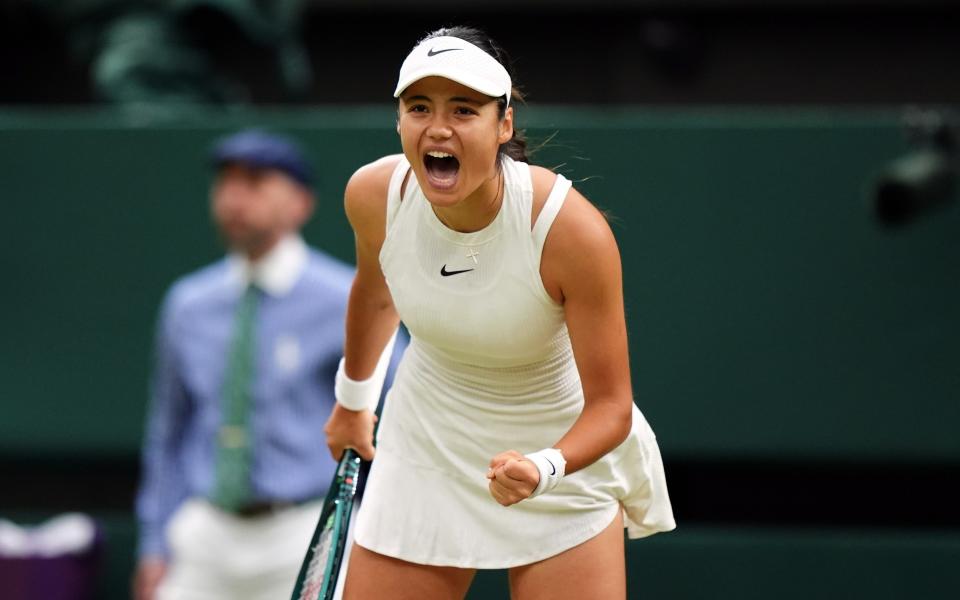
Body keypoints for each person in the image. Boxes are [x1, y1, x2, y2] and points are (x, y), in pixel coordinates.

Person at [323, 25, 676, 600]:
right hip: (426, 447)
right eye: (419, 107)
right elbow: (377, 291)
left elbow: (612, 407)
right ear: (400, 121)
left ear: (503, 124)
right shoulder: (373, 195)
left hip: (561, 451)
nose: (437, 128)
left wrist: (546, 467)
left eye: (463, 109)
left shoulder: (569, 229)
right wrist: (353, 402)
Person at [132, 128, 404, 600]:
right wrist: (154, 543)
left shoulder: (347, 299)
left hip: (304, 527)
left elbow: (401, 418)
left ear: (300, 202)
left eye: (255, 182)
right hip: (205, 533)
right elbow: (169, 431)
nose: (235, 198)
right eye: (227, 182)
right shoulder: (188, 304)